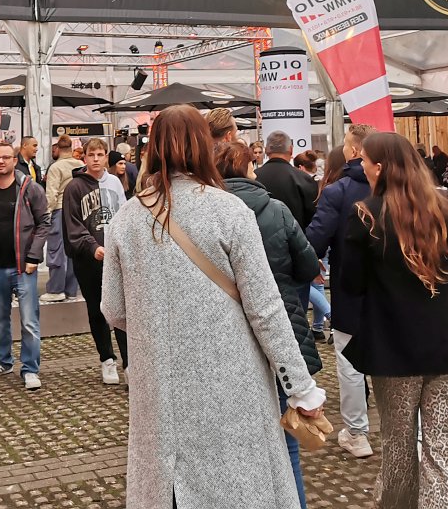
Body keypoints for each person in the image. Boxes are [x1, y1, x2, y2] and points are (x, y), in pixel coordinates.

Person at [101, 105, 325, 509]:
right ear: (204, 146)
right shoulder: (229, 211)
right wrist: (301, 388)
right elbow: (265, 308)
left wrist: (159, 322)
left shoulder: (125, 220)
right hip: (232, 385)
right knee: (240, 489)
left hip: (159, 392)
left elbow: (113, 309)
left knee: (169, 489)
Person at [341, 131, 448, 509]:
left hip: (393, 346)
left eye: (364, 160)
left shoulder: (365, 214)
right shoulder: (447, 203)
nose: (361, 166)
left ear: (380, 167)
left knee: (399, 446)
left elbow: (350, 284)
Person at [216, 140, 321, 509]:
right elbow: (309, 265)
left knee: (237, 443)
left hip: (230, 337)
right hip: (282, 326)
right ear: (248, 169)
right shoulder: (276, 209)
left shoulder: (208, 214)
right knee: (287, 440)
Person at [306, 123, 375, 459]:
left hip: (350, 287)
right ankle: (405, 431)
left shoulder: (338, 192)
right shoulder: (402, 187)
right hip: (395, 291)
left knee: (350, 363)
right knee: (396, 360)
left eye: (347, 145)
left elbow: (315, 241)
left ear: (354, 151)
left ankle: (358, 433)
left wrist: (308, 263)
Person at [0, 141, 51, 389]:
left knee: (29, 322)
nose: (0, 161)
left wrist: (33, 257)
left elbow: (44, 222)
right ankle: (3, 361)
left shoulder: (29, 189)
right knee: (0, 321)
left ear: (14, 160)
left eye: (6, 157)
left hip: (23, 268)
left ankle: (30, 369)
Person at [62, 138, 129, 385]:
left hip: (115, 257)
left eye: (100, 154)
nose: (96, 159)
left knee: (121, 309)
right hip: (88, 260)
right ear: (84, 158)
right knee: (97, 309)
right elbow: (72, 224)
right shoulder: (74, 188)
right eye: (91, 155)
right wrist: (92, 247)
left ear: (106, 157)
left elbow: (123, 215)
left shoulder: (115, 183)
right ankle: (107, 359)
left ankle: (129, 363)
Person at [42, 134, 83, 303]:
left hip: (59, 210)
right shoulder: (80, 165)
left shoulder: (55, 167)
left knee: (56, 250)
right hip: (77, 211)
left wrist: (46, 214)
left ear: (58, 149)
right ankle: (71, 289)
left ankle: (56, 289)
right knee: (74, 250)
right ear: (71, 148)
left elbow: (51, 194)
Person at [255, 130, 318, 229]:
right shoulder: (304, 179)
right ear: (291, 150)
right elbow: (313, 218)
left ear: (266, 150)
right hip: (296, 236)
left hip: (261, 236)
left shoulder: (253, 177)